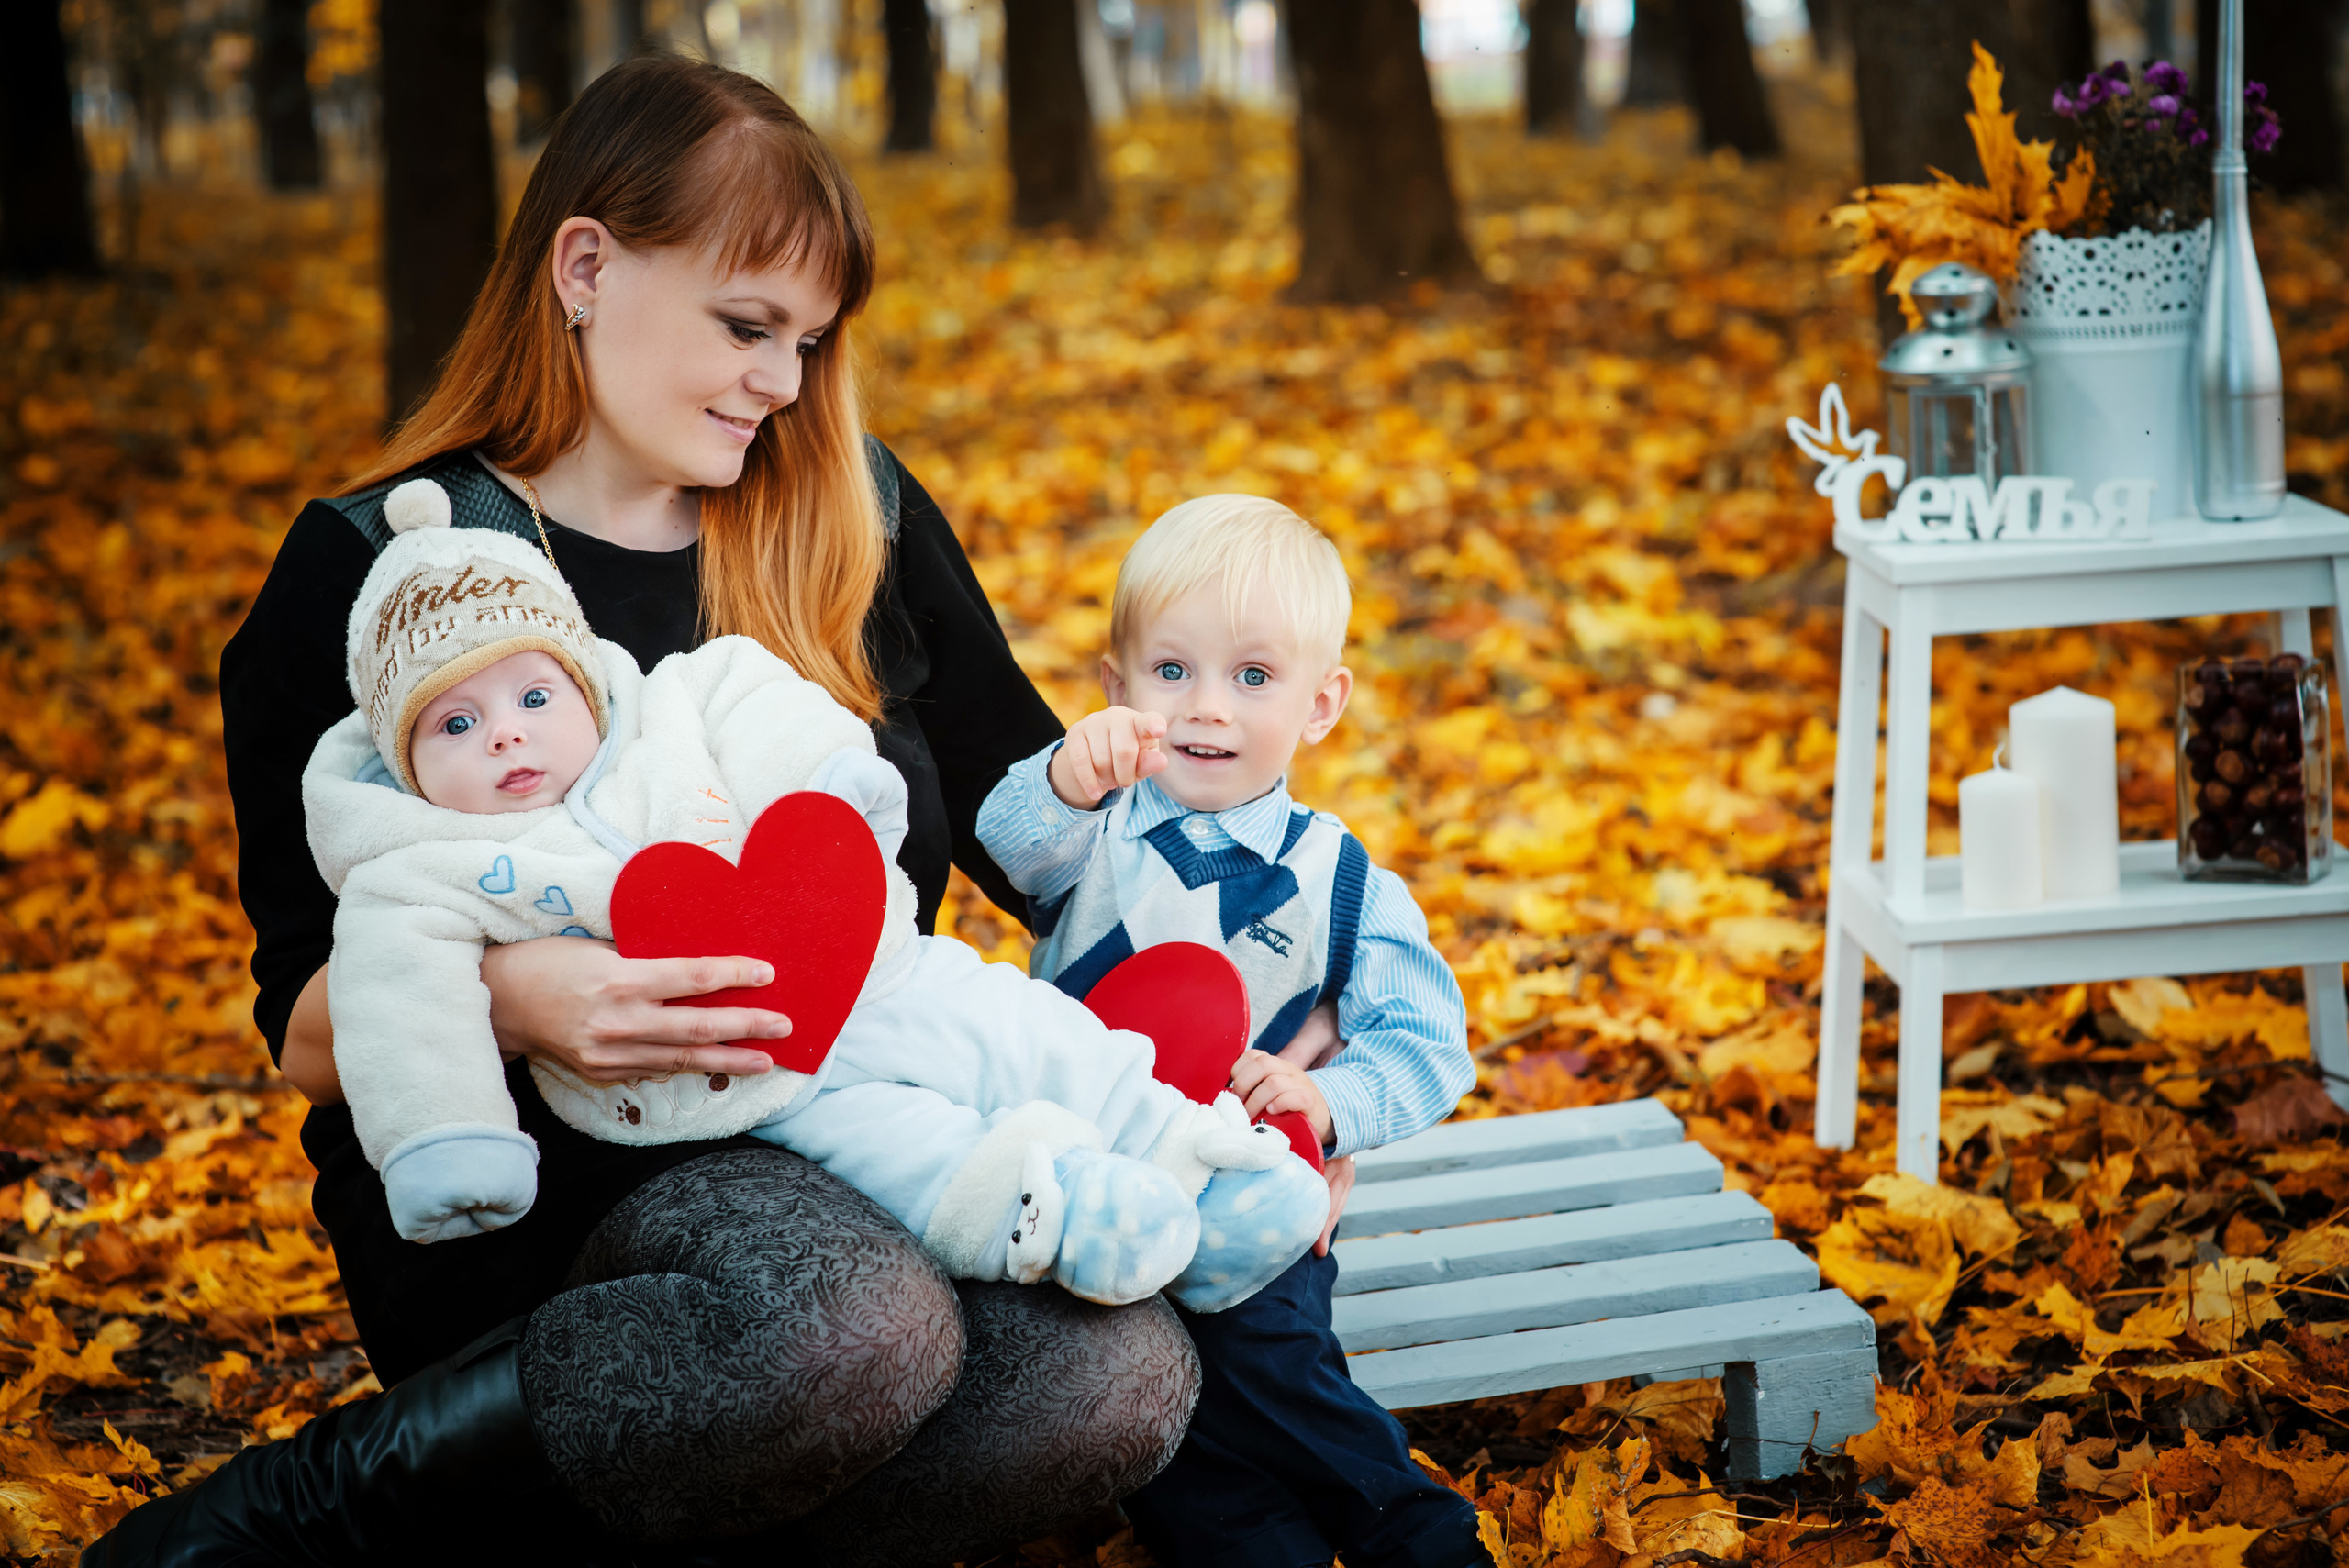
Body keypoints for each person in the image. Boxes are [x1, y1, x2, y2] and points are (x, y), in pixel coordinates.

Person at [89, 54, 1200, 1568]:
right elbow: (303, 1023)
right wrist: (523, 995)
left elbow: (1038, 826)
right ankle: (310, 1515)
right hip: (546, 1196)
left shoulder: (849, 514)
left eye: (808, 340)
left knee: (1117, 1379)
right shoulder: (388, 578)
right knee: (850, 1323)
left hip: (855, 1124)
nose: (783, 382)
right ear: (587, 268)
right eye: (746, 327)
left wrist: (1255, 1038)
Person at [308, 481, 1327, 1310]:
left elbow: (769, 708)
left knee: (1028, 1034)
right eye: (454, 724)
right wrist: (453, 1144)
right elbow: (396, 1001)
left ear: (585, 684)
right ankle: (1066, 1212)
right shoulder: (423, 866)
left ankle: (1198, 1157)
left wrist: (832, 793)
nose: (505, 733)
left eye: (535, 696)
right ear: (402, 763)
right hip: (746, 1083)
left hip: (878, 969)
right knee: (903, 1152)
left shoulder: (672, 705)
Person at [976, 495, 1487, 1568]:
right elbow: (1007, 841)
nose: (1206, 706)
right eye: (1170, 670)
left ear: (1320, 703)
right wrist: (1064, 775)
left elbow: (1428, 1038)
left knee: (1270, 1360)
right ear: (1116, 686)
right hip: (1091, 1191)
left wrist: (1330, 1102)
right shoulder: (1093, 834)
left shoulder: (1341, 878)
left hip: (1250, 1192)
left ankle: (1410, 1527)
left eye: (1253, 676)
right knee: (1163, 1425)